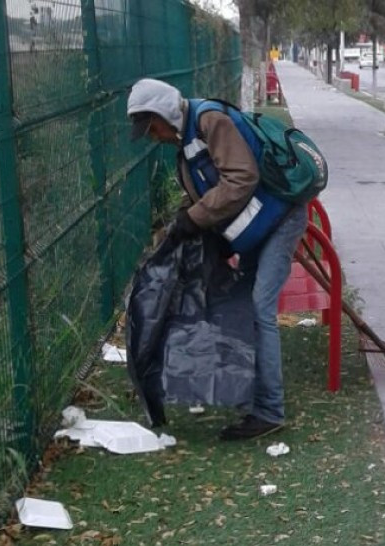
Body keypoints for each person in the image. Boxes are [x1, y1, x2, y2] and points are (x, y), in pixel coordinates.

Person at [126, 78, 306, 440]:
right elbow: (204, 189)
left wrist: (193, 219)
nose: (153, 136)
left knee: (259, 308)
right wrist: (183, 220)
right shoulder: (187, 136)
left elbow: (241, 178)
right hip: (257, 223)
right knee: (245, 303)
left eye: (152, 127)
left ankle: (270, 411)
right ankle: (252, 397)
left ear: (163, 114)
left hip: (280, 217)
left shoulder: (210, 122)